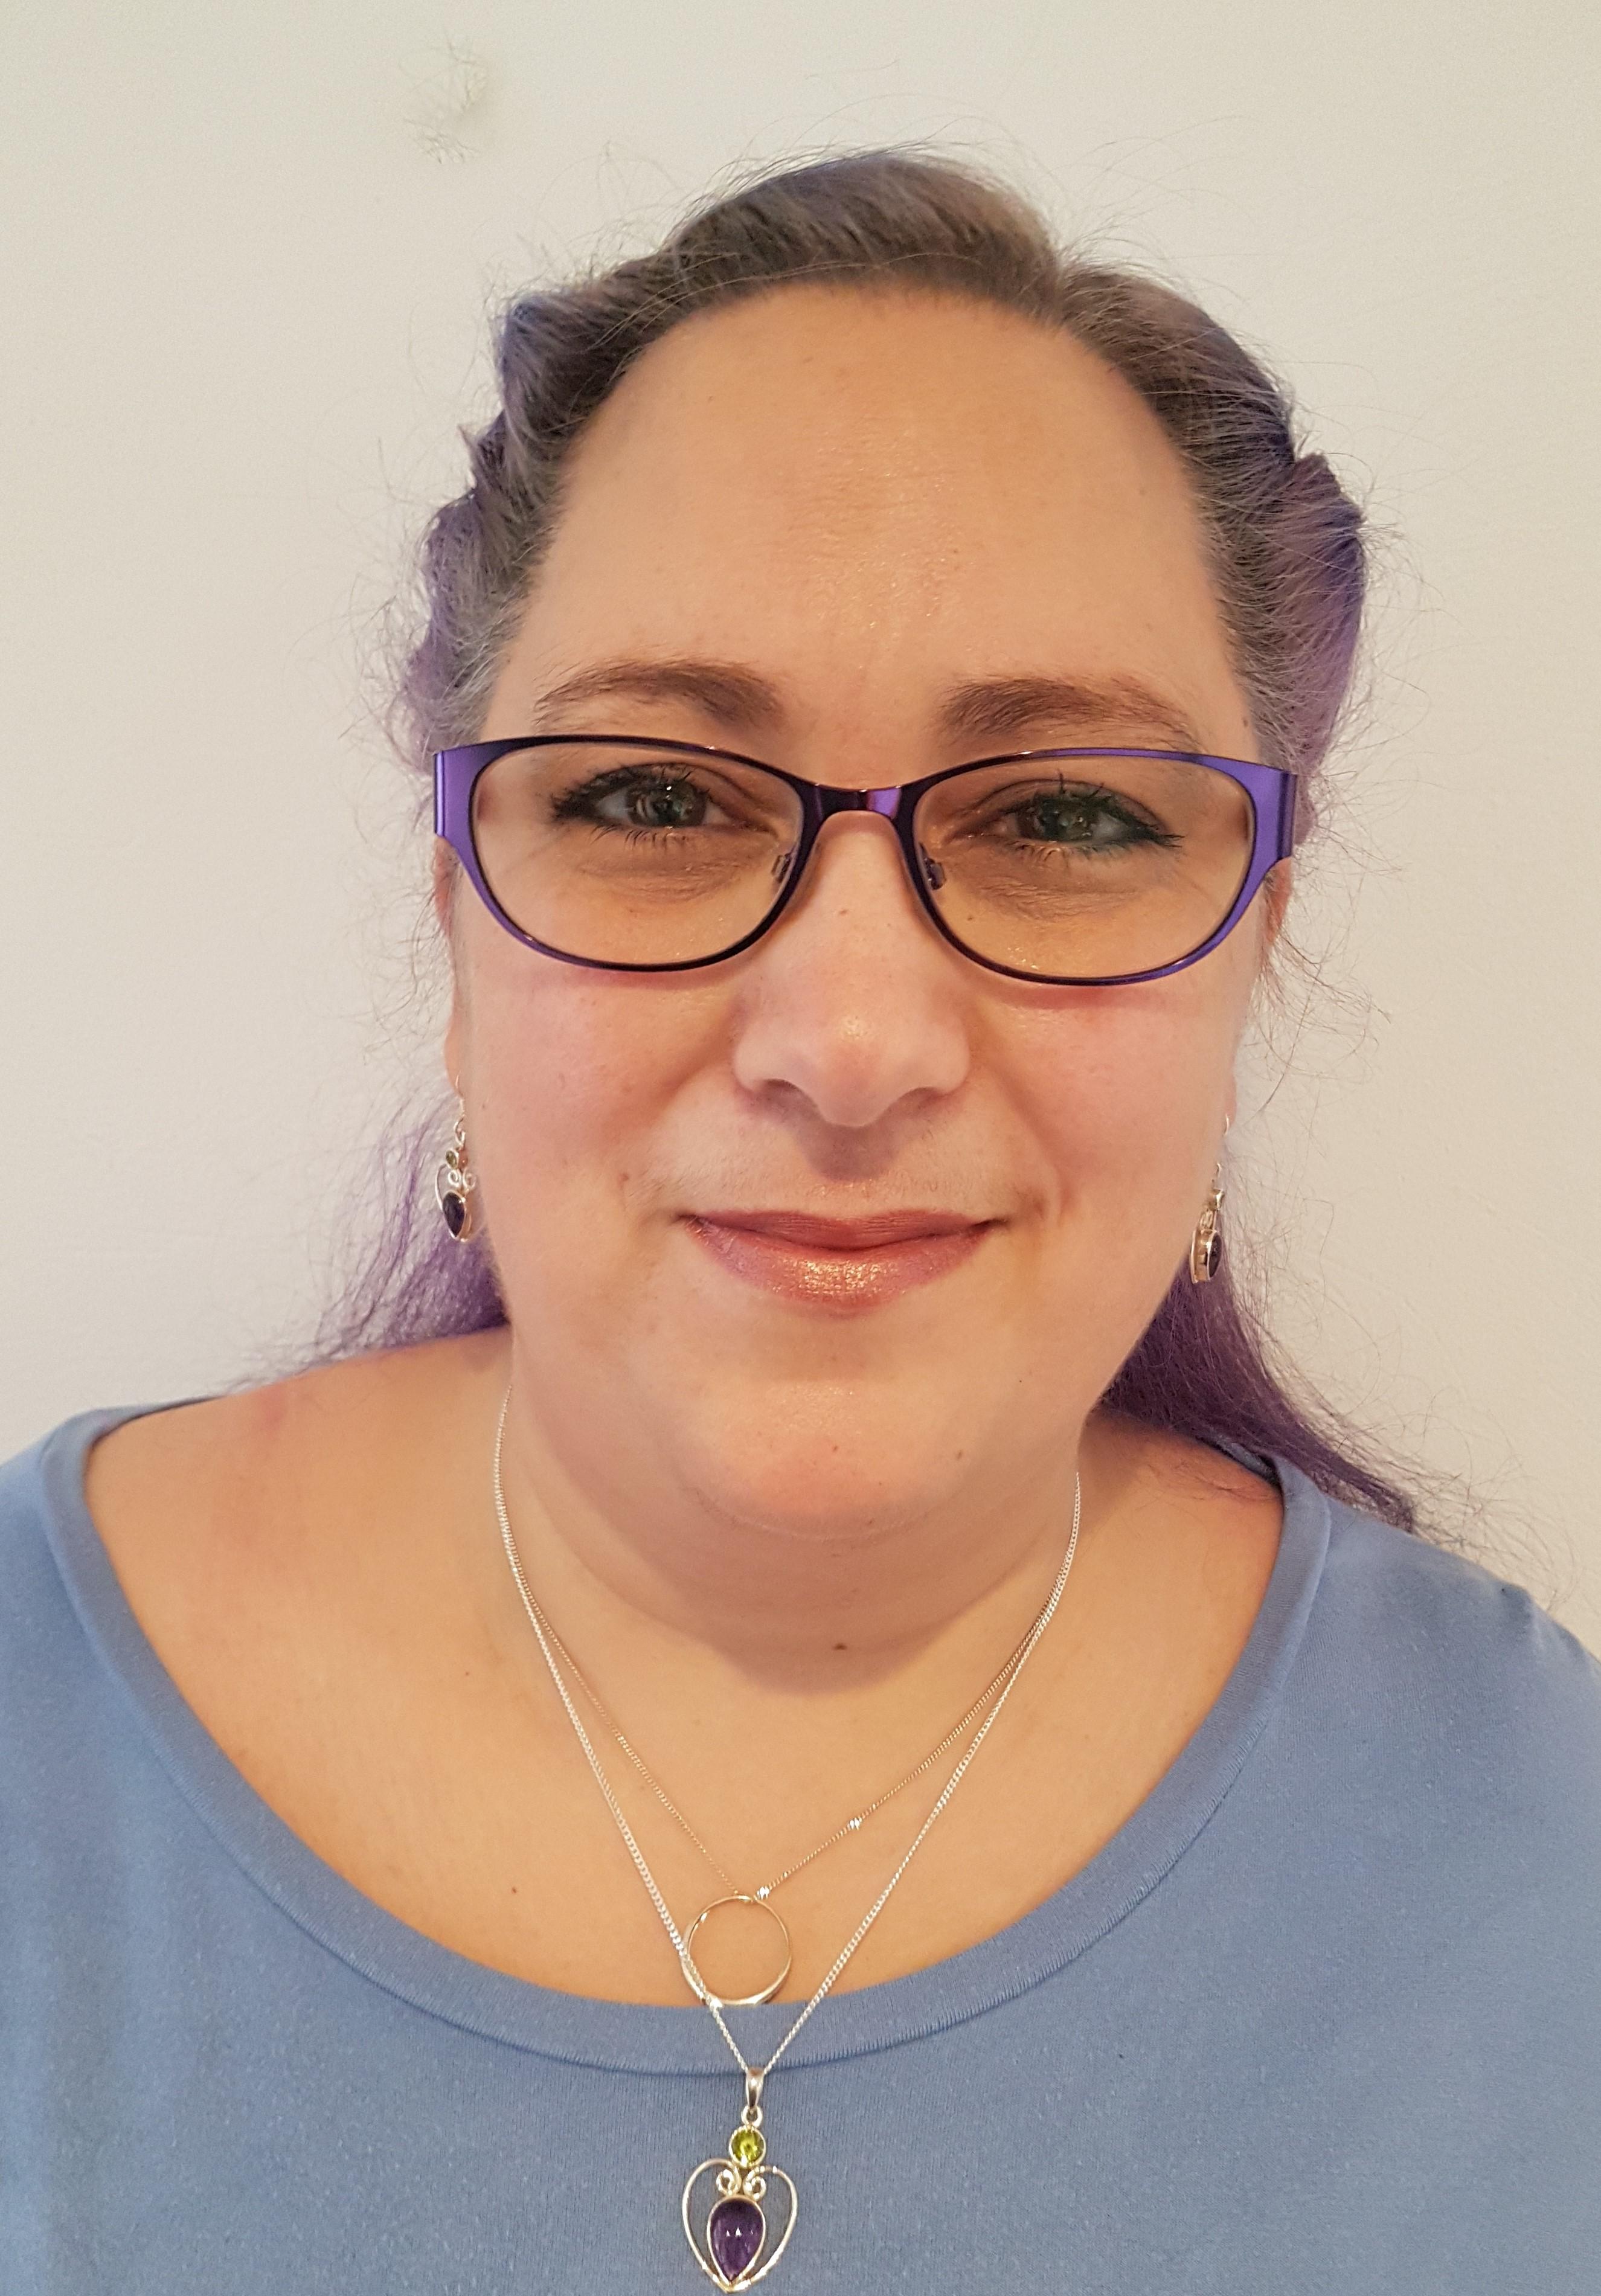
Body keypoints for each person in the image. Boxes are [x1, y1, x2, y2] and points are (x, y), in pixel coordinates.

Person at [3, 150, 1597, 2295]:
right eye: (653, 795)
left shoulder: (1533, 1850)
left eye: (1066, 815)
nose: (850, 1041)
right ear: (456, 912)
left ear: (1255, 942)